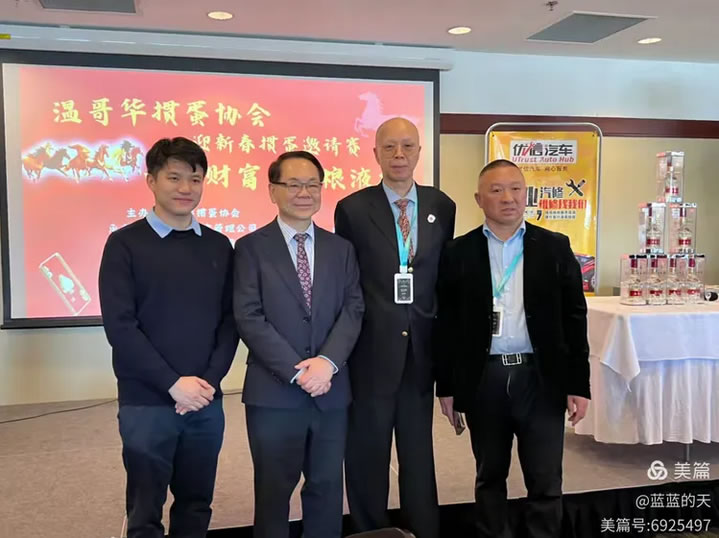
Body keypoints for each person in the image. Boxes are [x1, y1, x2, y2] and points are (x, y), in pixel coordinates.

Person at [435, 159, 590, 538]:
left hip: (540, 378)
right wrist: (447, 386)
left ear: (526, 194)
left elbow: (574, 318)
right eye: (497, 190)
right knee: (489, 476)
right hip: (484, 378)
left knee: (546, 479)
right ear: (479, 199)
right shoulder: (458, 252)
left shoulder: (554, 247)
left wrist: (578, 384)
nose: (508, 198)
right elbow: (447, 325)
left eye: (516, 189)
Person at [98, 137, 238, 538]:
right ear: (151, 181)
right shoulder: (124, 244)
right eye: (174, 177)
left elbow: (229, 323)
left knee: (197, 504)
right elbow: (121, 327)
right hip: (147, 402)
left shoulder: (218, 245)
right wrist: (173, 384)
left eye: (195, 179)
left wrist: (207, 383)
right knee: (145, 510)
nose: (185, 188)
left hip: (205, 401)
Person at [335, 117, 456, 538]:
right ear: (375, 154)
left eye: (407, 146)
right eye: (389, 147)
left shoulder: (442, 205)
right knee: (367, 452)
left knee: (418, 453)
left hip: (422, 350)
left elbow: (442, 280)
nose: (399, 155)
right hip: (371, 350)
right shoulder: (352, 209)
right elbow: (348, 281)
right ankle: (370, 532)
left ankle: (423, 530)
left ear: (420, 151)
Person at [234, 151, 364, 538]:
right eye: (293, 184)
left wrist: (327, 362)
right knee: (273, 493)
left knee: (327, 488)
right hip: (274, 393)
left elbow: (354, 308)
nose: (304, 193)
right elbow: (249, 316)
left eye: (312, 184)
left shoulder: (341, 249)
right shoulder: (250, 248)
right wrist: (298, 371)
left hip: (330, 390)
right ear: (272, 190)